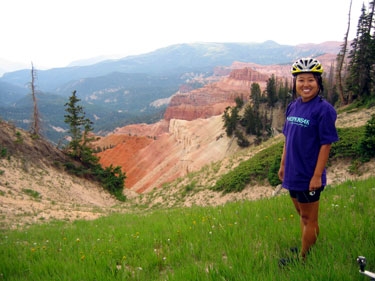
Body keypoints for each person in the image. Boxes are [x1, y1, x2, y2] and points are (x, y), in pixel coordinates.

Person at [278, 58, 339, 262]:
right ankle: (309, 247)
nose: (306, 85)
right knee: (302, 214)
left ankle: (304, 260)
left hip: (309, 174)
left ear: (319, 83)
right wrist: (283, 164)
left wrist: (316, 176)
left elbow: (326, 144)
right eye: (301, 80)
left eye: (311, 80)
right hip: (293, 171)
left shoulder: (324, 110)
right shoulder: (293, 107)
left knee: (308, 217)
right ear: (295, 83)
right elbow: (288, 138)